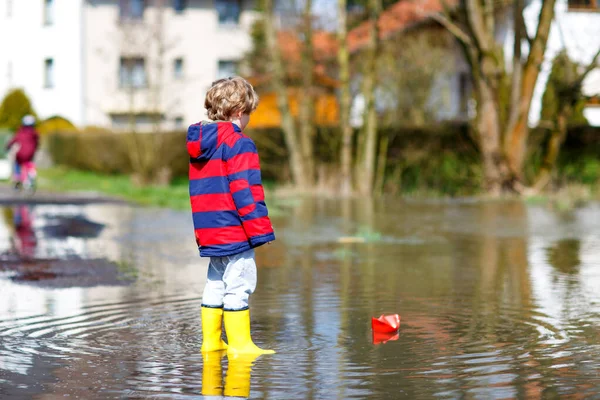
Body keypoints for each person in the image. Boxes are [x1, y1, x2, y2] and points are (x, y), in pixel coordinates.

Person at [187, 77, 275, 355]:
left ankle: (211, 342)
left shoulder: (201, 144)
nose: (249, 118)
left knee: (215, 281)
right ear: (239, 111)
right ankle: (240, 344)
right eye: (250, 112)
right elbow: (245, 191)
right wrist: (260, 230)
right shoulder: (240, 144)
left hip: (209, 230)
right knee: (240, 284)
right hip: (235, 230)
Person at [6, 115, 39, 189]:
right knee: (29, 163)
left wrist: (7, 147)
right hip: (30, 154)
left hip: (20, 154)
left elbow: (13, 140)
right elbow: (37, 143)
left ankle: (17, 177)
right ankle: (30, 176)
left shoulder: (20, 132)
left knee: (17, 163)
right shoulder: (35, 133)